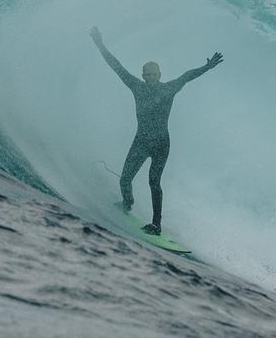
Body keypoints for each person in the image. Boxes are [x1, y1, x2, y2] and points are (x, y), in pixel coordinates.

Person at [89, 26, 223, 235]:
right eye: (147, 74)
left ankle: (156, 224)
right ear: (143, 75)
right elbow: (116, 66)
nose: (150, 77)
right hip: (141, 141)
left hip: (161, 143)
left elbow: (187, 76)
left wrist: (207, 67)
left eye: (154, 74)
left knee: (154, 182)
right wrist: (99, 44)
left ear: (160, 75)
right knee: (125, 179)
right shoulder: (137, 86)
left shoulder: (169, 88)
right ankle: (127, 203)